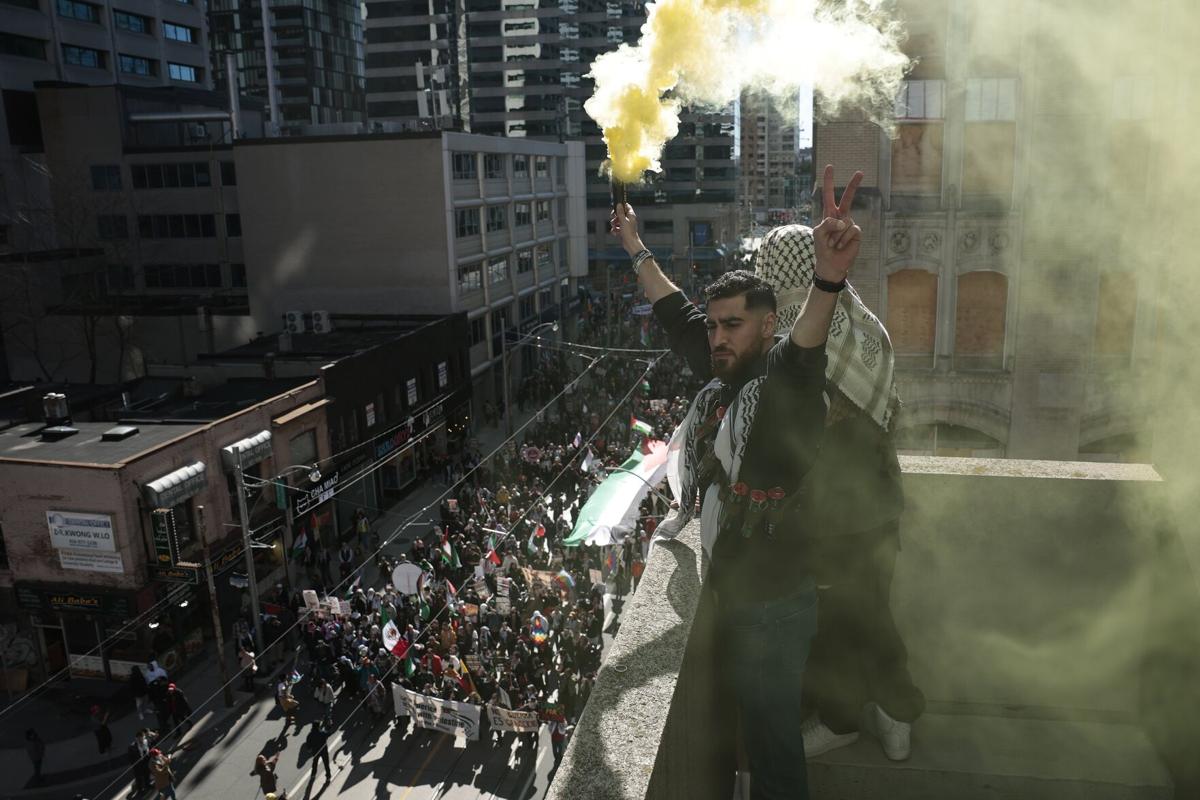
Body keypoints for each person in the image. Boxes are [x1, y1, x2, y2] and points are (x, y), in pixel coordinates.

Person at [611, 164, 864, 800]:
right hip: (737, 592)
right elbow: (674, 311)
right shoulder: (724, 370)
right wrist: (635, 245)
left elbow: (805, 353)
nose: (717, 338)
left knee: (773, 741)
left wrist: (828, 278)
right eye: (714, 325)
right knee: (756, 726)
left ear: (768, 325)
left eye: (733, 325)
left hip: (774, 606)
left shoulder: (782, 385)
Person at [751, 214, 925, 761]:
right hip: (877, 506)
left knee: (847, 622)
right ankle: (874, 715)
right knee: (865, 613)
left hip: (835, 517)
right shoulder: (866, 324)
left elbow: (805, 427)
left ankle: (872, 714)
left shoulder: (805, 336)